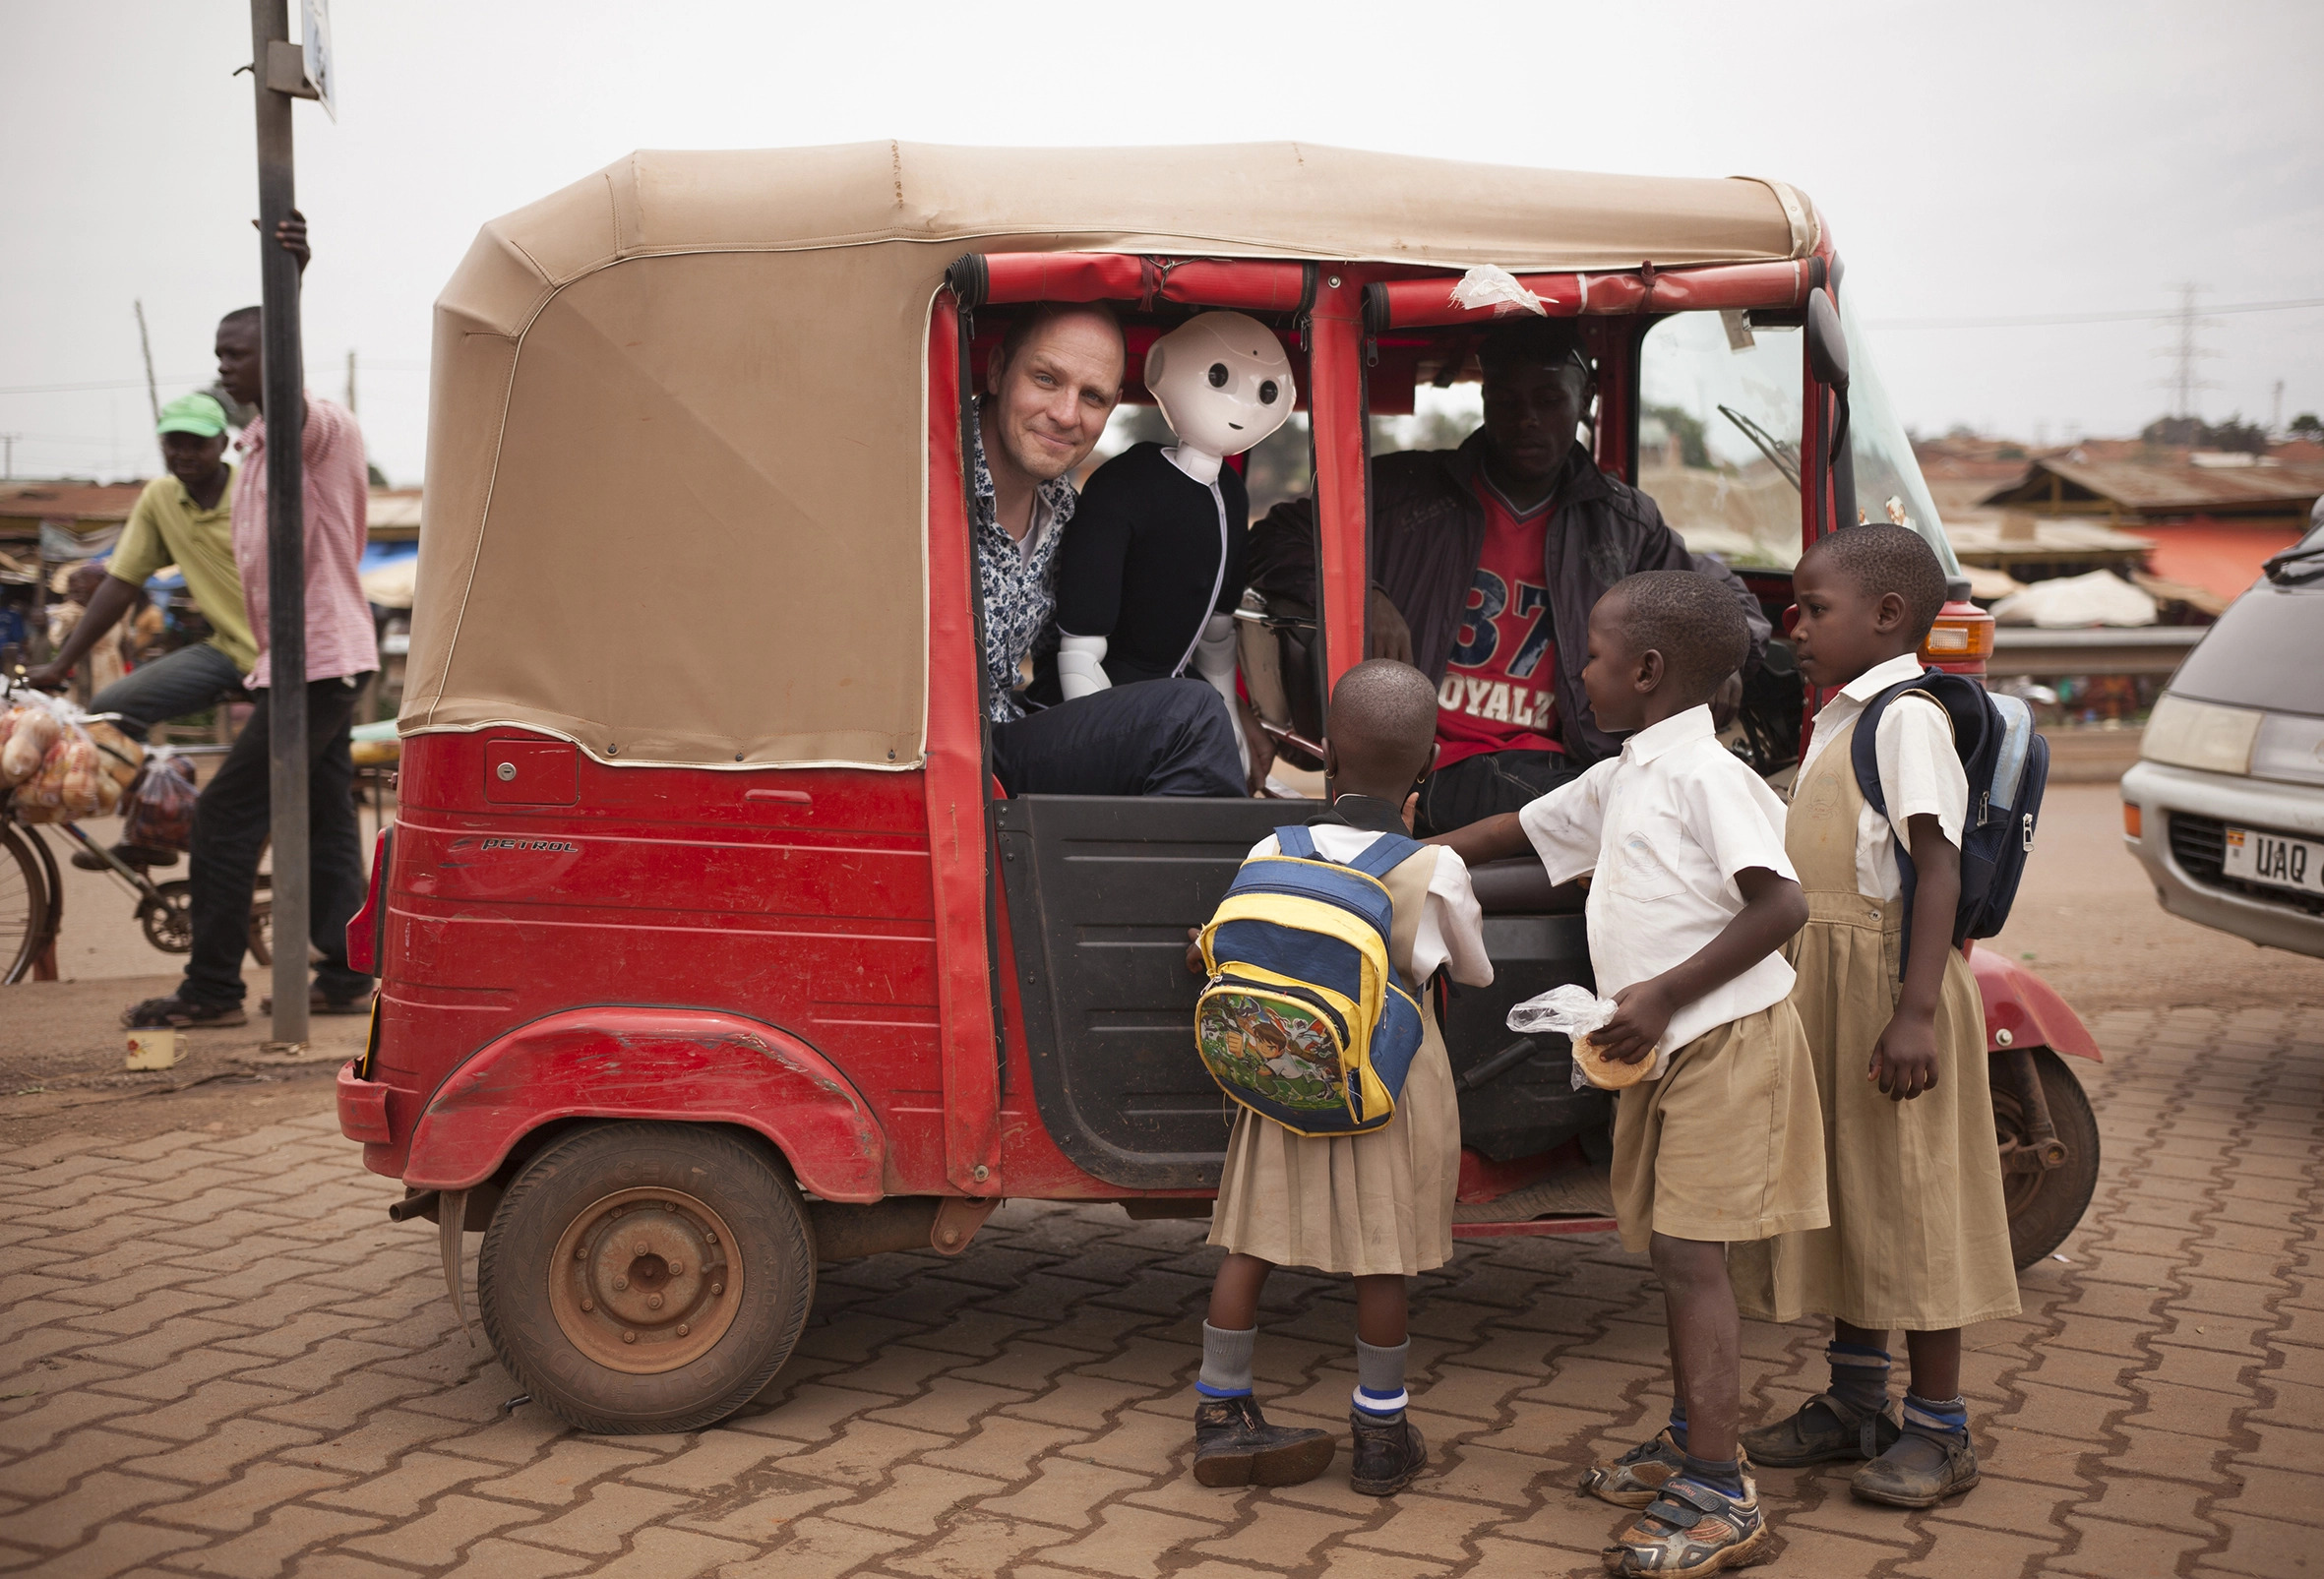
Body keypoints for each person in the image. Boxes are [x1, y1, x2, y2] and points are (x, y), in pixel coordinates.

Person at [1433, 572, 1822, 1575]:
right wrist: (1406, 859)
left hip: (1724, 1042)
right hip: (1664, 1051)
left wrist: (1657, 994)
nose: (1581, 671)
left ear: (1646, 672)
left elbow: (1781, 907)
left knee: (1694, 1259)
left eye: (1595, 657)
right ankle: (1696, 1438)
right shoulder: (1628, 773)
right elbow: (1518, 836)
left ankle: (1720, 1493)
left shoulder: (1706, 776)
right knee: (1667, 1251)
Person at [1728, 524, 2017, 1510]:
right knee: (1852, 1194)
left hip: (1894, 986)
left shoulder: (1905, 719)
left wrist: (1915, 1013)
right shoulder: (1839, 718)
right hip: (1832, 981)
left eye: (1813, 608)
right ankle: (1857, 1404)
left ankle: (1940, 1429)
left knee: (1913, 1199)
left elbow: (1934, 865)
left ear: (1888, 616)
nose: (1792, 624)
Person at [1248, 316, 1768, 831]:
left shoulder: (1624, 522)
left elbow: (1719, 600)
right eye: (1506, 402)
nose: (1527, 420)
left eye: (1548, 401)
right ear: (1485, 401)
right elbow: (1276, 539)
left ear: (1585, 399)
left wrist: (1722, 661)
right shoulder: (1403, 491)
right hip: (1420, 768)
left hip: (1561, 767)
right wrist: (1366, 595)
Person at [1183, 659, 1493, 1496]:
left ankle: (1221, 1408)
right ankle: (1382, 1433)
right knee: (1380, 1258)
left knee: (1249, 1238)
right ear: (1427, 766)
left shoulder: (1269, 844)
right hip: (1386, 1083)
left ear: (1326, 755)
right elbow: (1473, 971)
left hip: (1282, 1072)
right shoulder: (1435, 869)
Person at [124, 273, 378, 1028]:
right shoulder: (258, 447)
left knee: (226, 819)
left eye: (238, 354)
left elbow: (290, 389)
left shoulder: (315, 428)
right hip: (301, 664)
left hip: (321, 663)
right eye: (219, 355)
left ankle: (211, 990)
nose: (223, 368)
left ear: (279, 353)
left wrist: (287, 290)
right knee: (326, 818)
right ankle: (344, 971)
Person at [970, 303, 1245, 798]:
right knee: (1192, 712)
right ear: (995, 370)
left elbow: (1077, 650)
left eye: (1092, 396)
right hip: (931, 763)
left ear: (1114, 406)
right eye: (1047, 379)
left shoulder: (1068, 511)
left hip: (1007, 743)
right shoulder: (923, 477)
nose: (1066, 414)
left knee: (1194, 710)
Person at [30, 392, 256, 869]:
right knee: (112, 708)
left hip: (290, 660)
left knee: (263, 787)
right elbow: (121, 583)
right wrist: (61, 663)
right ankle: (155, 829)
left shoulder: (253, 491)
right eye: (173, 443)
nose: (184, 453)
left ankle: (212, 837)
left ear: (223, 442)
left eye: (196, 442)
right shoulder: (160, 498)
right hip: (228, 651)